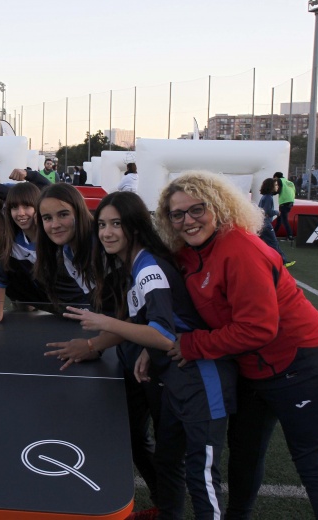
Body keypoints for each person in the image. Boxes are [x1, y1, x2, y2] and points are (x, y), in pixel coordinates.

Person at [155, 171, 318, 520]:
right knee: (244, 456)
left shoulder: (240, 249)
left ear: (218, 207)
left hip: (302, 363)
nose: (188, 220)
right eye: (177, 214)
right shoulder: (188, 253)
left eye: (197, 209)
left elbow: (258, 328)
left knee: (316, 464)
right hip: (252, 369)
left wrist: (193, 344)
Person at [63, 191, 237, 519]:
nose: (107, 232)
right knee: (170, 462)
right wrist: (144, 346)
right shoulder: (135, 264)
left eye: (117, 224)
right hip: (174, 380)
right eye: (102, 224)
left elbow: (163, 333)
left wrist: (106, 324)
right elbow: (157, 325)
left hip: (201, 381)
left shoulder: (148, 268)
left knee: (202, 477)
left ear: (136, 227)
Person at [0, 182, 49, 325]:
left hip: (74, 303)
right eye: (14, 207)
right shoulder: (13, 244)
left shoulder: (52, 234)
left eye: (26, 206)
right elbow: (1, 278)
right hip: (45, 311)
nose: (20, 213)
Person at [34, 183, 97, 309]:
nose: (55, 225)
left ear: (79, 212)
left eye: (63, 215)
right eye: (47, 218)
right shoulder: (67, 252)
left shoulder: (101, 245)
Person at [258, 178, 293, 267]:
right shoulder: (269, 197)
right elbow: (267, 211)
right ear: (271, 186)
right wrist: (277, 212)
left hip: (261, 223)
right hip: (266, 225)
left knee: (261, 243)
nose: (277, 187)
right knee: (273, 243)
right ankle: (283, 261)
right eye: (276, 185)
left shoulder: (265, 197)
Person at [272, 171, 295, 241]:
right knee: (280, 218)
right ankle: (274, 234)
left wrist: (271, 193)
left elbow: (278, 190)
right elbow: (294, 191)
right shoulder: (289, 182)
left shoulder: (279, 180)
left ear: (276, 177)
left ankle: (290, 235)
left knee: (284, 220)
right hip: (290, 201)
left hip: (284, 202)